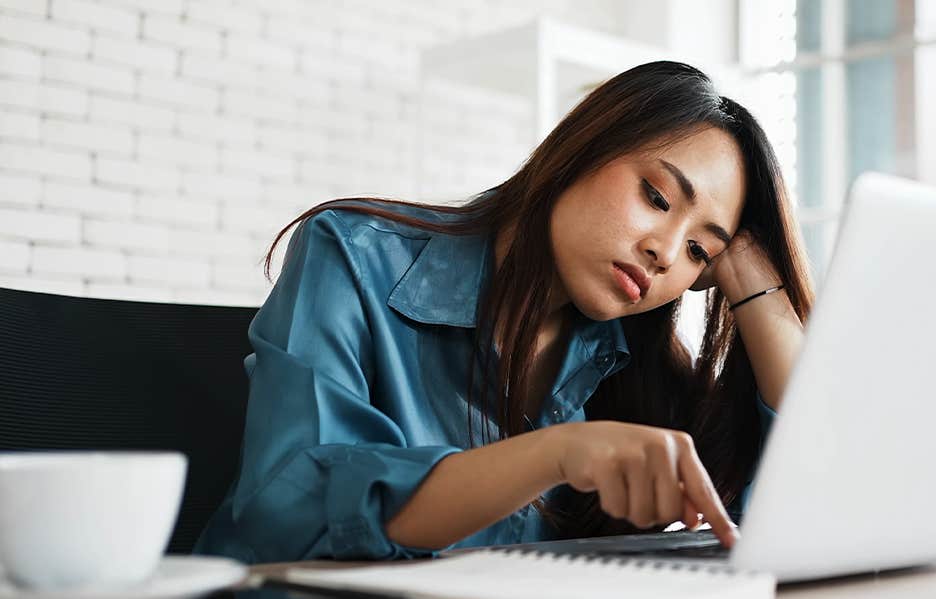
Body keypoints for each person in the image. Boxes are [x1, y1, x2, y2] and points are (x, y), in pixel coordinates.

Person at [193, 61, 814, 564]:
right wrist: (557, 453)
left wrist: (756, 283)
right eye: (656, 196)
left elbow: (806, 498)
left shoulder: (632, 362)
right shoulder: (354, 256)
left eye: (701, 250)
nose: (665, 252)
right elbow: (291, 509)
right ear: (583, 145)